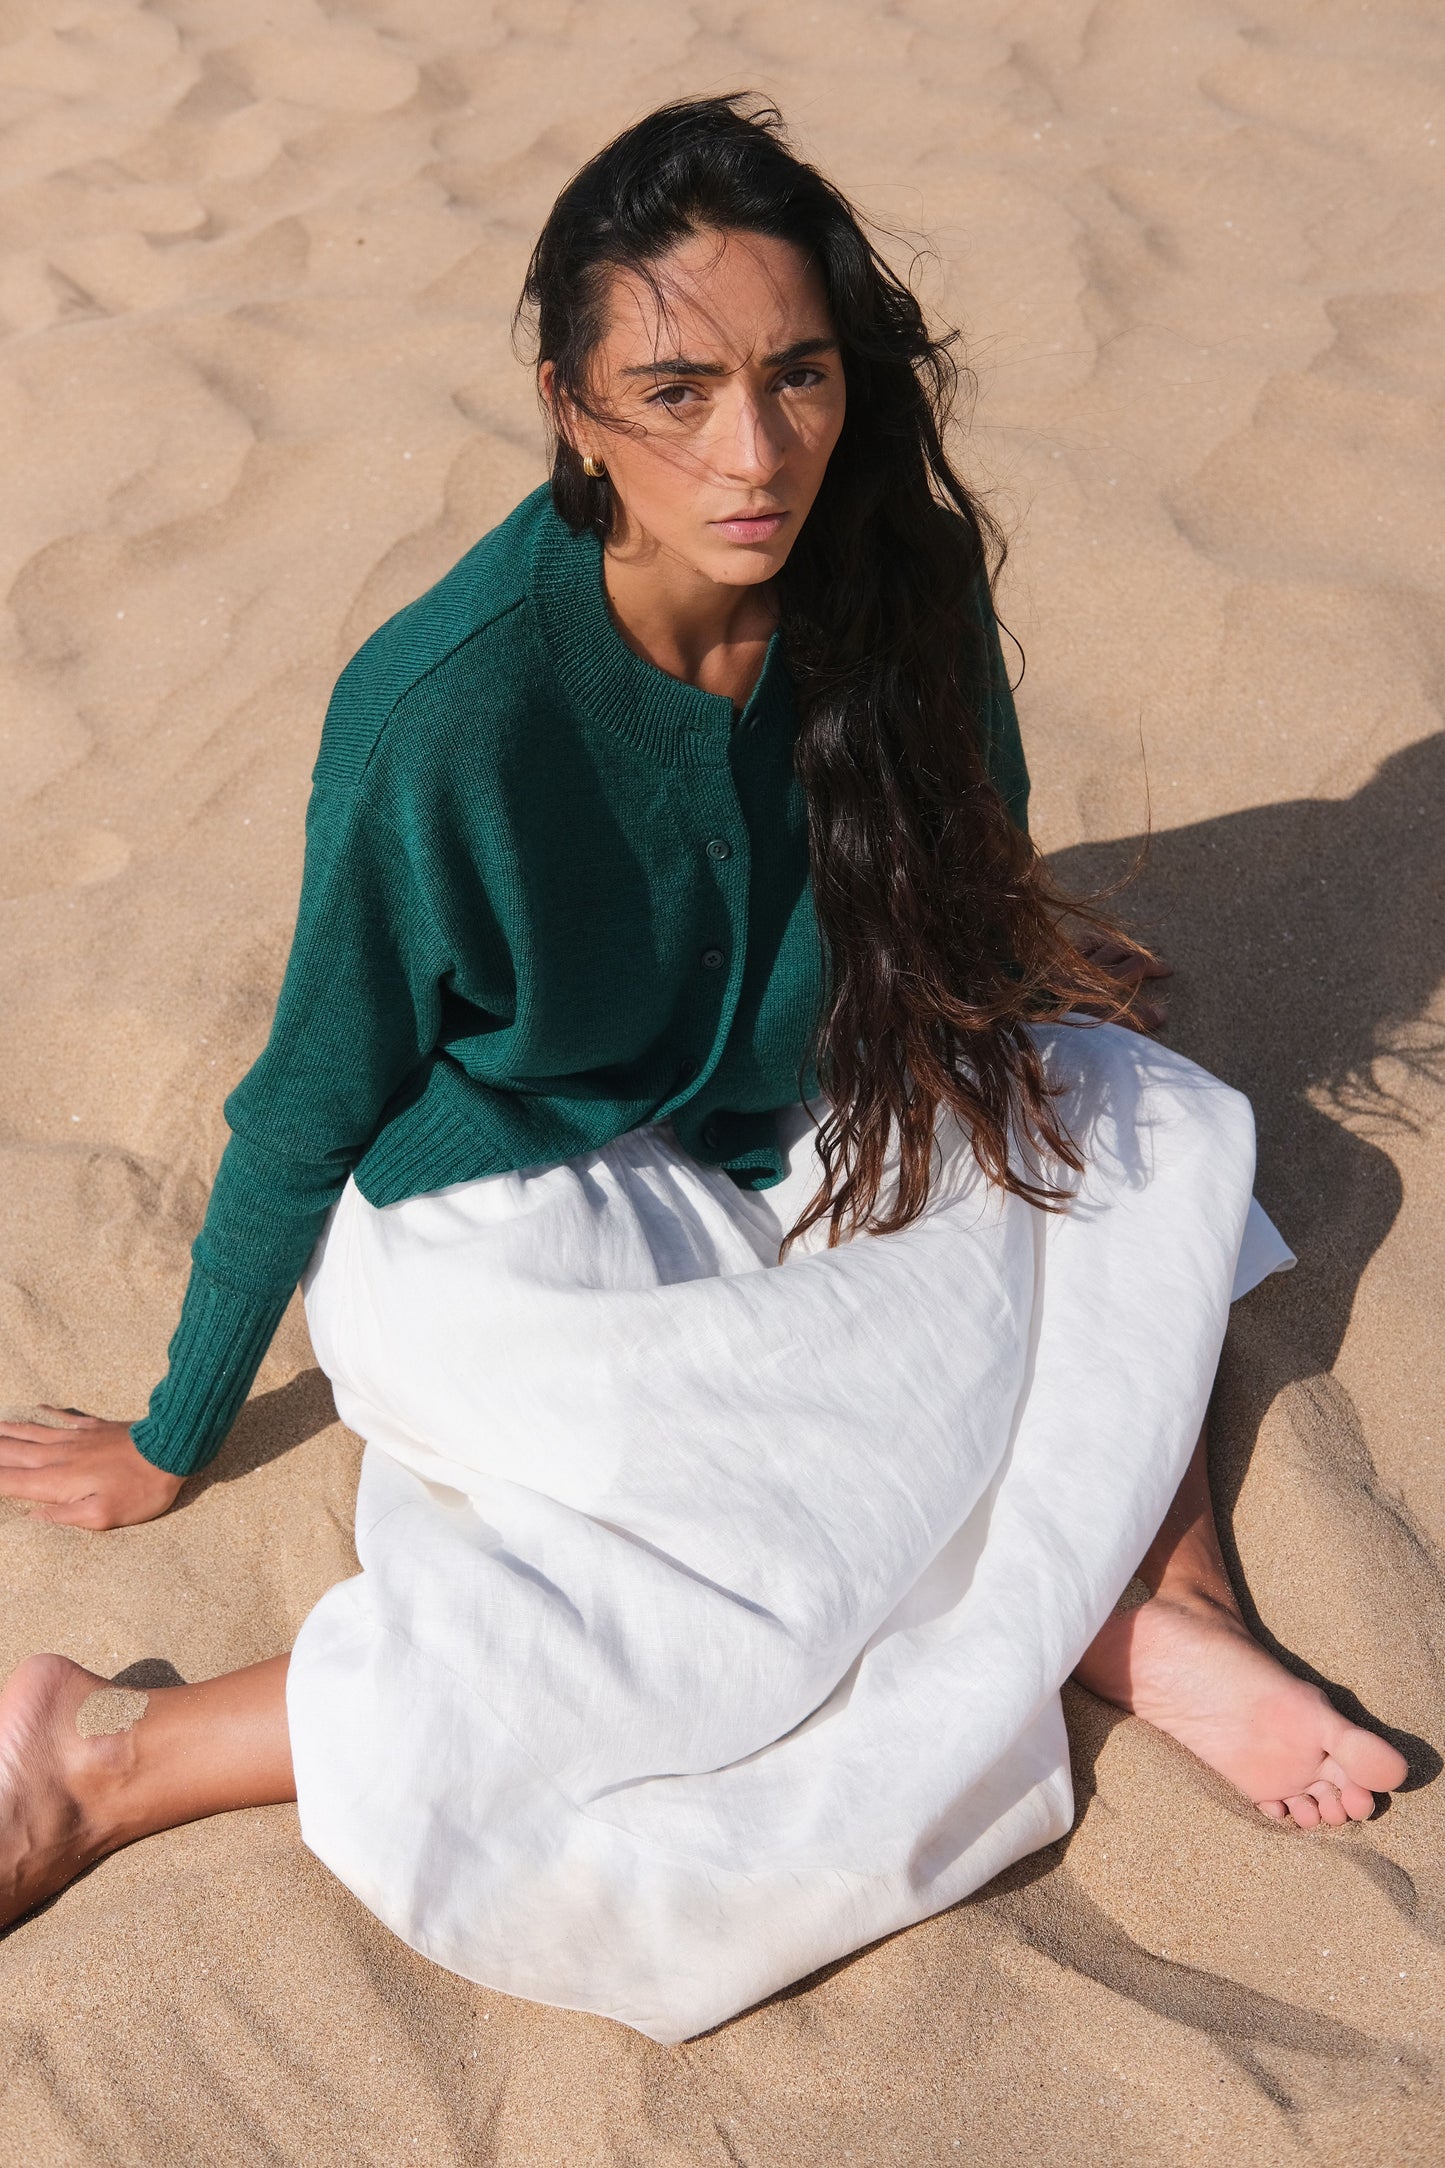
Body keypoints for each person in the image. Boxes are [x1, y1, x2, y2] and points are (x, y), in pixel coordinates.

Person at [0, 96, 1406, 2041]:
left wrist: (1027, 973)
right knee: (744, 1566)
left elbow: (962, 880)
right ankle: (109, 1746)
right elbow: (309, 1100)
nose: (755, 453)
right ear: (575, 408)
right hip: (501, 1213)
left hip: (801, 1117)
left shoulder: (894, 586)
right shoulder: (442, 713)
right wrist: (171, 1437)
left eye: (797, 377)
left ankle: (1172, 1609)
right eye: (677, 390)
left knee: (1138, 1133)